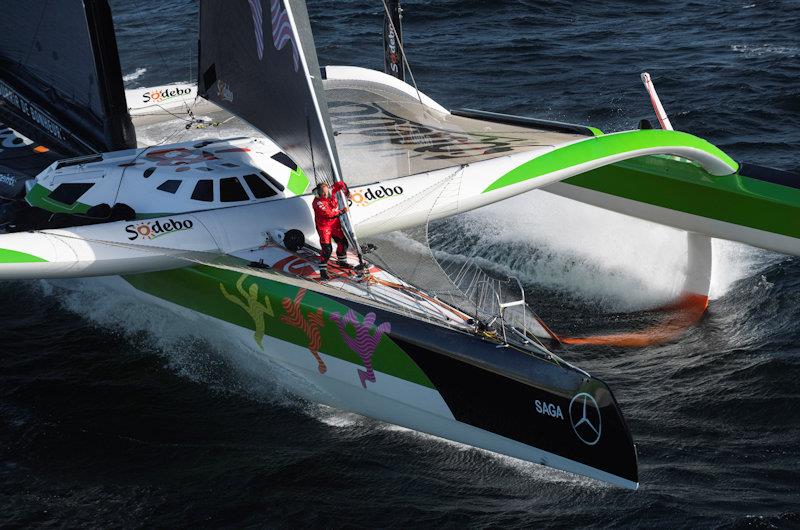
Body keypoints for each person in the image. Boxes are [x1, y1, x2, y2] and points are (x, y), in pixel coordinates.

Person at [312, 181, 351, 280]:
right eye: (323, 193)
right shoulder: (317, 202)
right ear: (319, 193)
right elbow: (328, 214)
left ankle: (342, 262)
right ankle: (323, 270)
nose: (326, 194)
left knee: (344, 243)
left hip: (334, 224)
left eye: (326, 192)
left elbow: (340, 183)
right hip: (324, 227)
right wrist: (342, 211)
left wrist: (347, 193)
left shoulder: (331, 191)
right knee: (327, 250)